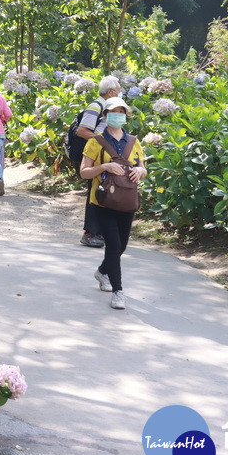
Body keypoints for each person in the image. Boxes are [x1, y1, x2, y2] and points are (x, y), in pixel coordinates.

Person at [79, 97, 146, 310]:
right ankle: (118, 292)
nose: (118, 116)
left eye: (122, 112)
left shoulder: (134, 142)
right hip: (103, 201)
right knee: (114, 245)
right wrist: (105, 167)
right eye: (113, 112)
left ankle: (102, 271)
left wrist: (140, 171)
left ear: (126, 116)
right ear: (105, 116)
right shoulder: (95, 142)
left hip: (127, 200)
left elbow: (143, 168)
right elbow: (84, 172)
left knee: (122, 246)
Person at [74, 75, 122, 248]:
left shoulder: (107, 106)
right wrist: (106, 143)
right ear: (110, 92)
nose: (120, 94)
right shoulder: (96, 106)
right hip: (95, 156)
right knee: (96, 192)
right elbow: (82, 131)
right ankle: (90, 233)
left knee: (104, 191)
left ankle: (100, 232)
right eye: (119, 91)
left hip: (103, 155)